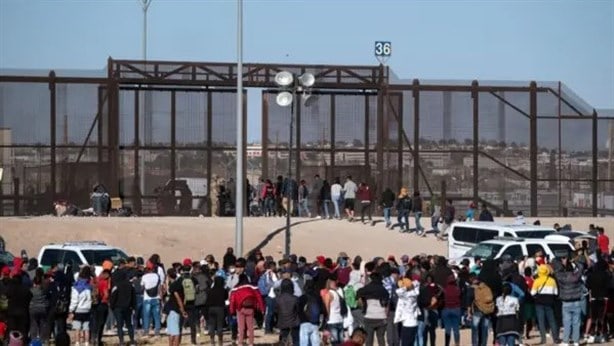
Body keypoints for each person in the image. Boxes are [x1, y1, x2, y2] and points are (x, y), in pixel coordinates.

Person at [553, 252, 584, 346]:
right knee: (576, 323)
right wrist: (574, 261)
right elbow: (581, 268)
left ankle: (566, 341)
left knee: (566, 323)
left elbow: (556, 271)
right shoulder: (576, 276)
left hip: (566, 302)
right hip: (577, 301)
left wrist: (562, 264)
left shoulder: (561, 277)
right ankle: (576, 341)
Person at [229, 274, 264, 346]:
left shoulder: (236, 288)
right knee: (250, 327)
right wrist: (262, 308)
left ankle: (240, 343)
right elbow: (259, 297)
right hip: (250, 308)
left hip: (240, 309)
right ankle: (251, 343)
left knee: (241, 328)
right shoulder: (252, 287)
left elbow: (232, 300)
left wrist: (232, 311)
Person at [356, 272, 388, 346]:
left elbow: (358, 294)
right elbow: (386, 302)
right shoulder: (383, 289)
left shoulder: (367, 288)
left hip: (369, 316)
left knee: (369, 340)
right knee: (381, 339)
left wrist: (362, 303)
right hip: (381, 317)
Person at [110, 269, 136, 346]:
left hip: (118, 308)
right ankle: (132, 341)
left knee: (119, 325)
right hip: (128, 307)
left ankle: (121, 342)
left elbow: (113, 297)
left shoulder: (116, 286)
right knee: (129, 325)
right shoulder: (130, 285)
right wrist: (134, 307)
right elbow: (133, 297)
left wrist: (112, 307)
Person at [68, 267, 93, 346]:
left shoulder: (76, 288)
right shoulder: (89, 287)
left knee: (77, 328)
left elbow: (74, 301)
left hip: (78, 310)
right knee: (86, 329)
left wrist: (71, 310)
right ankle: (86, 343)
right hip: (87, 310)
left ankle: (77, 343)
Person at [394, 276, 420, 346]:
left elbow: (398, 291)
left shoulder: (406, 295)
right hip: (414, 322)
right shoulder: (415, 293)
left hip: (407, 324)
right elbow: (417, 283)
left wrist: (407, 286)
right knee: (410, 343)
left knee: (405, 343)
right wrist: (411, 285)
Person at [298, 280, 323, 346]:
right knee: (315, 343)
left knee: (304, 343)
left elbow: (298, 310)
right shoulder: (318, 298)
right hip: (315, 323)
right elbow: (322, 310)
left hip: (304, 323)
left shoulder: (302, 298)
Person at [276, 279, 300, 345]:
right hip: (294, 323)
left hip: (282, 323)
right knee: (296, 341)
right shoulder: (295, 299)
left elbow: (276, 311)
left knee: (284, 340)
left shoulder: (278, 299)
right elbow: (298, 310)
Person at [141, 262, 161, 338]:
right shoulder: (157, 276)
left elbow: (142, 287)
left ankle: (146, 333)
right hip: (156, 298)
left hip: (147, 298)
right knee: (156, 316)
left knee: (146, 316)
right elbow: (159, 288)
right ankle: (157, 333)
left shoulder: (144, 277)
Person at [205, 276, 228, 346]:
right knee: (219, 325)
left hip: (211, 309)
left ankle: (212, 341)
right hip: (220, 308)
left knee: (211, 325)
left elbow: (207, 300)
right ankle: (220, 342)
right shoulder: (223, 290)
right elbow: (226, 297)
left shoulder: (210, 290)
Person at [29, 268, 50, 343]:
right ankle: (42, 340)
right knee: (43, 324)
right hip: (43, 308)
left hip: (33, 308)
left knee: (33, 324)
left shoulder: (31, 290)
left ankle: (33, 339)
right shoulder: (44, 289)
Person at [324, 276, 346, 346]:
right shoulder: (338, 293)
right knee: (341, 342)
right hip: (340, 319)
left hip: (332, 320)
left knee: (335, 342)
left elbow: (327, 307)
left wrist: (326, 318)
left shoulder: (328, 294)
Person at [441, 275, 461, 346]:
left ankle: (447, 344)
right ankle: (457, 344)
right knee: (456, 329)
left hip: (447, 309)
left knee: (447, 329)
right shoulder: (457, 289)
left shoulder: (445, 289)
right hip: (456, 308)